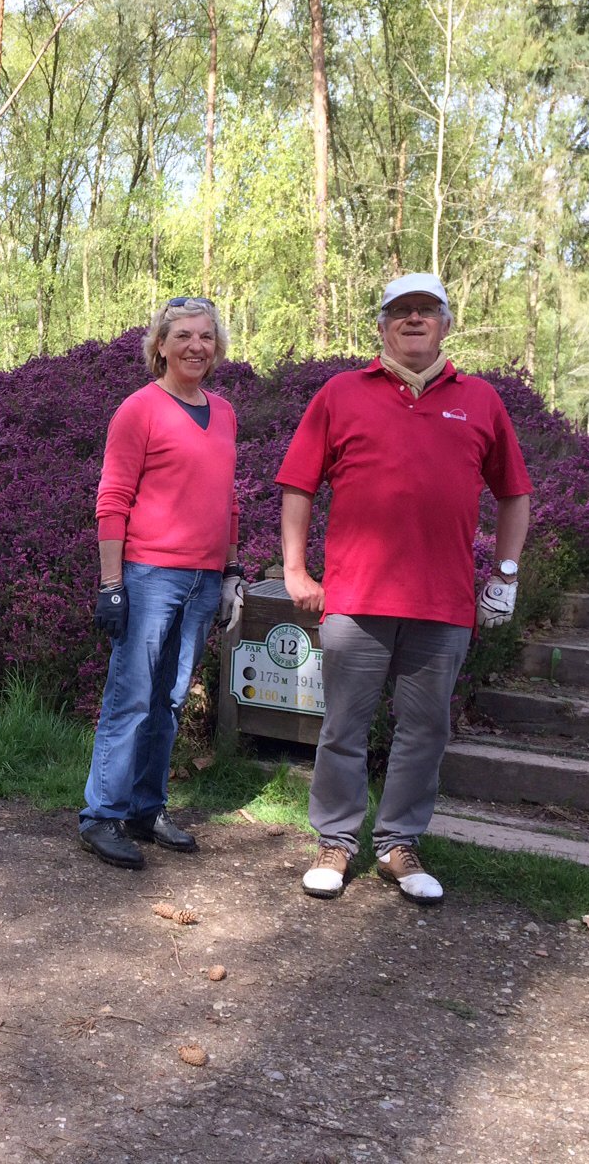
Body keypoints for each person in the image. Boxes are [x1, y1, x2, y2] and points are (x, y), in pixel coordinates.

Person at [276, 273, 531, 904]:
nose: (413, 319)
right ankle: (336, 841)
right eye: (400, 311)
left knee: (424, 732)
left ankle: (397, 844)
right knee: (343, 728)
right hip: (356, 599)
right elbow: (298, 485)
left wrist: (505, 575)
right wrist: (294, 571)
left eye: (426, 310)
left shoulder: (480, 400)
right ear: (382, 324)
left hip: (443, 604)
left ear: (445, 324)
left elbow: (514, 493)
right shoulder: (341, 393)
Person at [80, 296, 244, 870]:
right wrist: (111, 583)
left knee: (170, 700)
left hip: (204, 579)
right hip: (149, 576)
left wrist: (231, 572)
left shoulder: (224, 412)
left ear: (217, 346)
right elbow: (112, 499)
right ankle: (102, 815)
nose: (196, 346)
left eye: (206, 336)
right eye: (183, 336)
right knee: (131, 697)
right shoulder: (139, 410)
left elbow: (228, 501)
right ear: (161, 346)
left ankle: (146, 809)